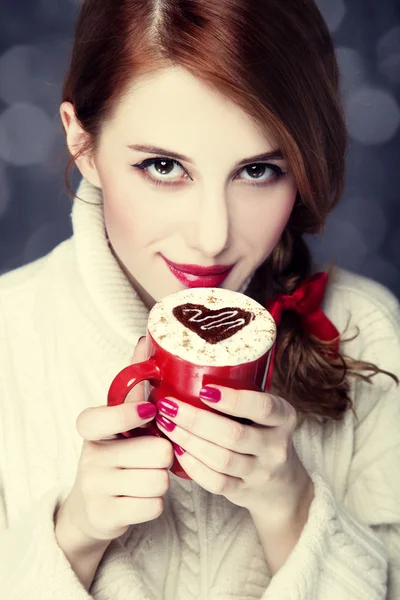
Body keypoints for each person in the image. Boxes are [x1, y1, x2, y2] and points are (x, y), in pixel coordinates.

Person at [0, 0, 399, 598]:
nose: (213, 237)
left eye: (259, 171)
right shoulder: (10, 332)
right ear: (82, 143)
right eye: (163, 166)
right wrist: (73, 535)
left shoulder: (370, 331)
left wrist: (292, 510)